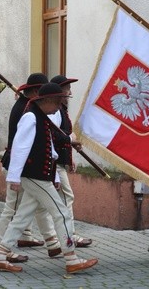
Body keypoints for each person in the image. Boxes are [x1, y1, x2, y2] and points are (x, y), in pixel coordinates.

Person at [0, 83, 98, 274]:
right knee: (61, 213)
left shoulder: (41, 117)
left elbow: (50, 150)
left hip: (40, 175)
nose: (59, 105)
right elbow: (20, 148)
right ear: (46, 100)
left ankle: (0, 255)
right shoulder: (30, 117)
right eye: (57, 101)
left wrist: (54, 174)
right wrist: (13, 177)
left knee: (22, 217)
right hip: (33, 175)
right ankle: (71, 258)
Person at [0, 73, 61, 263]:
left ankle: (52, 242)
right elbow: (21, 147)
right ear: (35, 92)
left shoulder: (30, 107)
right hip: (20, 167)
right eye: (41, 92)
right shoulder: (27, 110)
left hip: (30, 169)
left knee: (36, 206)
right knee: (13, 208)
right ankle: (4, 247)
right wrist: (15, 176)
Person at [49, 75, 92, 248]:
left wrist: (71, 155)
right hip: (54, 164)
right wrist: (71, 141)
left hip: (59, 162)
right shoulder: (56, 112)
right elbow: (55, 138)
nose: (70, 92)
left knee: (33, 206)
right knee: (67, 198)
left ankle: (30, 235)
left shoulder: (61, 110)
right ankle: (70, 235)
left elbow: (65, 137)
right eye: (67, 88)